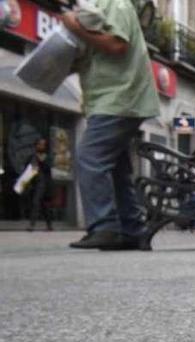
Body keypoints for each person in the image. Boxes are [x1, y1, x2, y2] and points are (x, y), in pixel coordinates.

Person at [62, 0, 160, 250]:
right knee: (116, 166)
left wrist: (75, 27)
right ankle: (131, 229)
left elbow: (117, 45)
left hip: (119, 98)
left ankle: (105, 226)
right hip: (112, 98)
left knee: (90, 158)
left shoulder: (117, 4)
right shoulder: (104, 8)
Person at [26, 138, 54, 231]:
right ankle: (48, 225)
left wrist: (42, 161)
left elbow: (50, 169)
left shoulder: (49, 157)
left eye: (43, 144)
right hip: (35, 184)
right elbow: (27, 170)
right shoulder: (32, 157)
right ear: (36, 146)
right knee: (40, 204)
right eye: (39, 144)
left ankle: (32, 225)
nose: (41, 146)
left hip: (45, 184)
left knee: (39, 203)